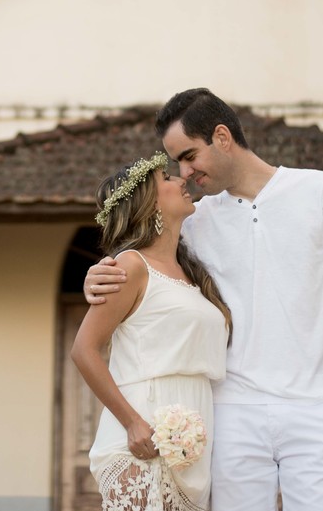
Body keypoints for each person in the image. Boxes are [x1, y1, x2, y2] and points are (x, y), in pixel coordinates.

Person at [85, 89, 323, 511]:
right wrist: (98, 276)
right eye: (176, 163)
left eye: (188, 156)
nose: (184, 173)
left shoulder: (322, 191)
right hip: (231, 414)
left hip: (318, 408)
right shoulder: (195, 220)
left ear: (222, 137)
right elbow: (146, 262)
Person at [71, 151, 232, 511]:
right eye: (168, 178)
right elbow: (84, 350)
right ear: (149, 203)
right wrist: (132, 423)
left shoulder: (192, 273)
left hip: (194, 436)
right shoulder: (131, 266)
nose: (182, 179)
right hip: (143, 434)